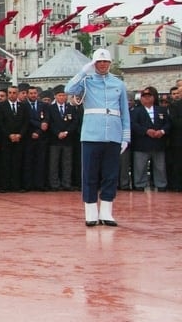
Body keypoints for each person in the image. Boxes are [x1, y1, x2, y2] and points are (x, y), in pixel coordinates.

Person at [65, 48, 130, 226]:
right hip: (91, 134)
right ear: (93, 64)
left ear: (110, 63)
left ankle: (106, 212)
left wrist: (125, 137)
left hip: (113, 134)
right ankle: (91, 212)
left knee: (110, 175)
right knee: (90, 174)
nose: (102, 65)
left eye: (105, 62)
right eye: (99, 62)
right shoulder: (87, 82)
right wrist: (83, 71)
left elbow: (124, 112)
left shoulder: (118, 84)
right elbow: (69, 89)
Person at [131, 86, 170, 191]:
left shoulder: (162, 110)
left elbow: (168, 123)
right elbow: (133, 124)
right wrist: (146, 131)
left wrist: (162, 131)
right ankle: (139, 185)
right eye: (144, 96)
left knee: (160, 167)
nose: (147, 98)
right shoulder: (135, 111)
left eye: (149, 96)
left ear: (153, 97)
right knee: (140, 167)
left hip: (158, 143)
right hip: (142, 144)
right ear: (141, 98)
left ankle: (161, 184)